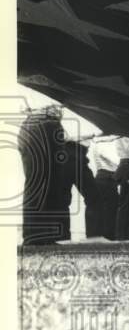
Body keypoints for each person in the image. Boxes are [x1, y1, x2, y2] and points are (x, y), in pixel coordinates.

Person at [17, 105, 66, 245]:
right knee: (39, 183)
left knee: (52, 184)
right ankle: (34, 237)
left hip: (47, 123)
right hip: (40, 122)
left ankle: (45, 236)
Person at [89, 135, 120, 240]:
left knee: (110, 207)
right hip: (106, 176)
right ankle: (108, 234)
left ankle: (107, 233)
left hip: (106, 176)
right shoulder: (101, 144)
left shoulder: (100, 143)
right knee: (110, 207)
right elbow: (113, 160)